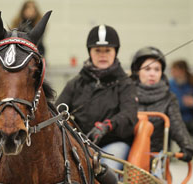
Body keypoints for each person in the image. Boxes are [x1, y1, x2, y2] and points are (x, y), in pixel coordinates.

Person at [56, 24, 138, 170]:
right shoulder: (75, 84)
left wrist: (107, 126)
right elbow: (57, 112)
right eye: (97, 50)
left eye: (107, 50)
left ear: (115, 52)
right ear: (90, 52)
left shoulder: (126, 84)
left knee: (106, 169)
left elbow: (129, 114)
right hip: (80, 144)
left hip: (114, 143)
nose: (103, 55)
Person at [130, 46, 193, 162]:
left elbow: (177, 125)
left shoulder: (169, 98)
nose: (152, 74)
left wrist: (187, 146)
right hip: (127, 155)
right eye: (147, 69)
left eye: (157, 69)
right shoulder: (126, 94)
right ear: (137, 71)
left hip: (155, 158)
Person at [170, 60, 193, 162]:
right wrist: (182, 104)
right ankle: (167, 156)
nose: (172, 72)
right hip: (174, 121)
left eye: (175, 70)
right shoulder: (170, 84)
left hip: (189, 120)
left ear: (182, 71)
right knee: (165, 128)